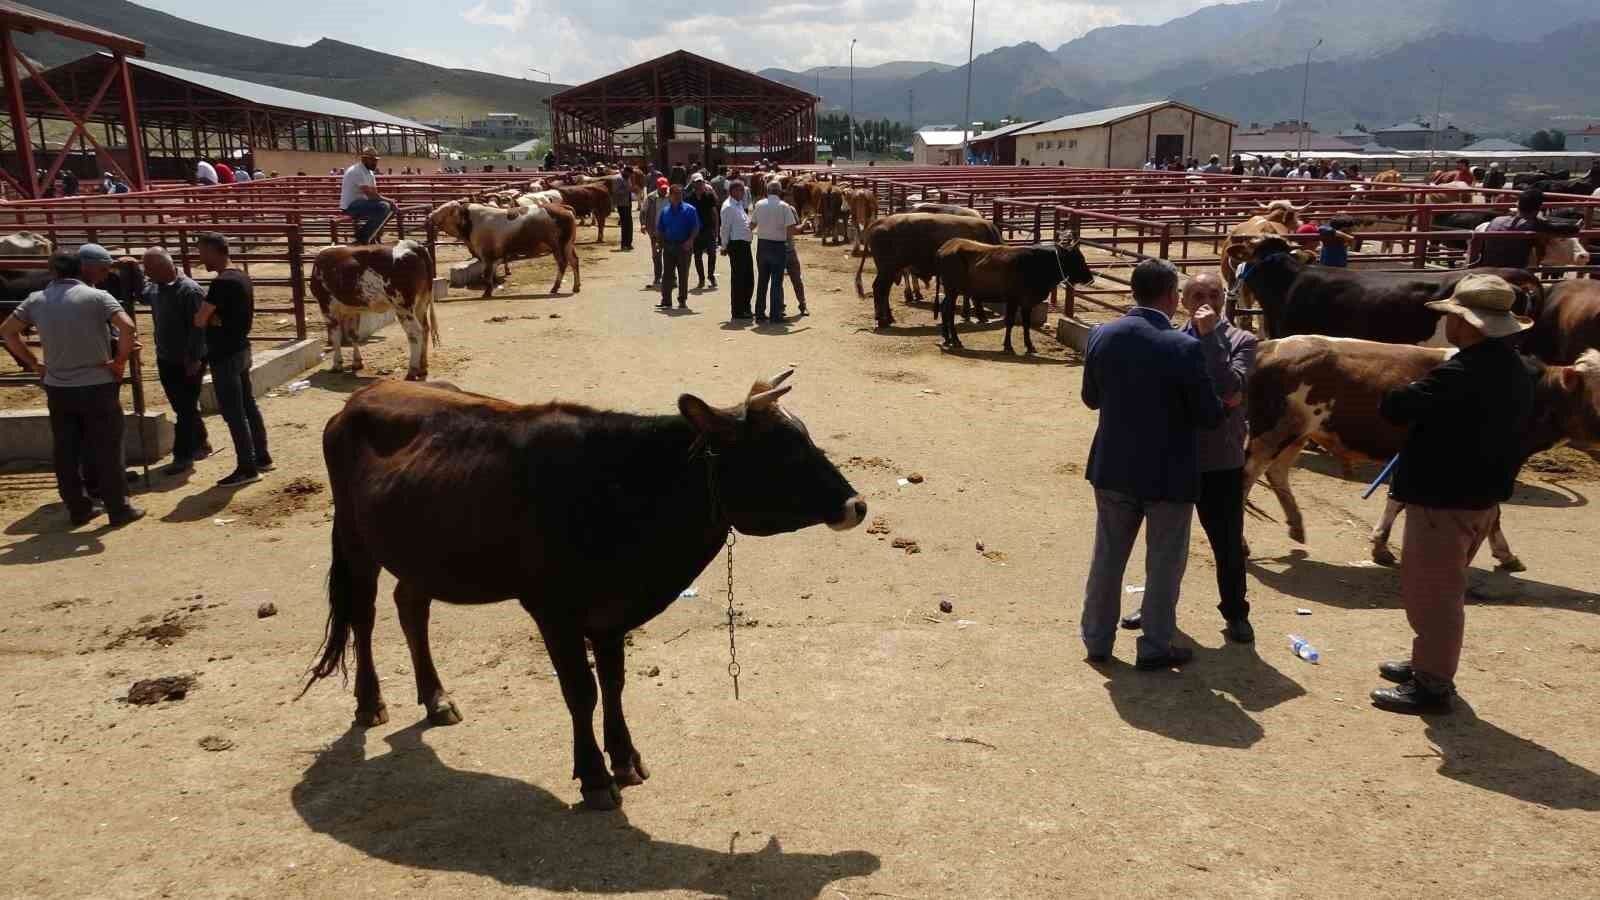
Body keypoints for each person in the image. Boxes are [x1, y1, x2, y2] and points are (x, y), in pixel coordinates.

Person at [1370, 274, 1536, 713]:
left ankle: (1432, 683)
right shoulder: (1516, 369)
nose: (1448, 325)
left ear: (1468, 324)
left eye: (1453, 317)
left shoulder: (1461, 372)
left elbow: (1396, 407)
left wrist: (1402, 388)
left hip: (1443, 499)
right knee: (1440, 586)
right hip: (1478, 498)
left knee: (1434, 593)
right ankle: (1429, 663)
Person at [1080, 258, 1225, 668]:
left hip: (1114, 465)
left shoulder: (1101, 333)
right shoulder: (1185, 346)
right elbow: (1209, 416)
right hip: (1169, 472)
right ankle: (1155, 645)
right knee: (1163, 564)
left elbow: (1091, 398)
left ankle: (1097, 640)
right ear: (1171, 297)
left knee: (1107, 557)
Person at [1118, 272, 1257, 643]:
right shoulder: (1169, 341)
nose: (1205, 300)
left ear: (1225, 299)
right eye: (1197, 293)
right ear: (1182, 299)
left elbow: (1232, 387)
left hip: (1221, 461)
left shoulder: (1243, 340)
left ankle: (1236, 612)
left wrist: (1210, 338)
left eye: (1214, 293)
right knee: (1163, 543)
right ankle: (1155, 607)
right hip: (1175, 456)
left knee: (1227, 542)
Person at [0, 248, 145, 527]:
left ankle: (78, 508)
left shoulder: (36, 300)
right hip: (97, 385)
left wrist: (34, 364)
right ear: (80, 270)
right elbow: (127, 329)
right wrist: (119, 362)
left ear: (53, 272)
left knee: (66, 450)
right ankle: (118, 508)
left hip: (58, 387)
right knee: (107, 447)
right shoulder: (98, 297)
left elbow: (7, 331)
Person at [194, 233, 271, 486]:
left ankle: (247, 467)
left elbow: (200, 319)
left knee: (233, 411)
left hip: (224, 353)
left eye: (202, 252)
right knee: (248, 405)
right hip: (241, 348)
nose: (200, 257)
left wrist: (211, 319)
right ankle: (262, 457)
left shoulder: (221, 284)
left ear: (215, 251)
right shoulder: (241, 276)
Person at [140, 248, 211, 475]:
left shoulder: (189, 291)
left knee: (184, 407)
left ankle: (183, 456)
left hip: (187, 358)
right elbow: (140, 294)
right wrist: (129, 270)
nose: (146, 273)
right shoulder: (156, 287)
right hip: (166, 356)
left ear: (163, 268)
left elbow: (200, 328)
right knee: (183, 405)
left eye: (148, 269)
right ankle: (200, 442)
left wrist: (195, 358)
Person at [1469, 189, 1580, 268]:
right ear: (1539, 208)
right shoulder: (1536, 225)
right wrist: (1576, 227)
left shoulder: (1496, 220)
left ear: (1517, 205)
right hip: (1516, 273)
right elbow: (1568, 230)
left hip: (1487, 269)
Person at [752, 176, 798, 322]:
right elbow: (791, 229)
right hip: (778, 246)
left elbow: (752, 225)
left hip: (763, 245)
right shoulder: (784, 207)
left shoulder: (759, 204)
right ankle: (775, 314)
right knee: (776, 282)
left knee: (762, 281)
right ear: (779, 192)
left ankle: (759, 313)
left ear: (767, 191)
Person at [655, 183, 699, 310]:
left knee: (683, 274)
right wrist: (659, 242)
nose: (678, 196)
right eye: (675, 194)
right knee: (667, 274)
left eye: (680, 194)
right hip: (668, 246)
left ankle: (682, 300)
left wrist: (690, 241)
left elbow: (695, 228)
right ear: (670, 196)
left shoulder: (690, 210)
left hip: (684, 247)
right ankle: (666, 300)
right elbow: (661, 229)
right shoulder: (665, 211)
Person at [340, 147, 394, 245]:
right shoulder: (357, 171)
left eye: (376, 160)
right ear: (364, 160)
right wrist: (390, 201)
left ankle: (372, 233)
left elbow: (374, 193)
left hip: (362, 203)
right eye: (372, 160)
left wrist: (389, 202)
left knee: (389, 208)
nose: (375, 163)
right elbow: (371, 195)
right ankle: (363, 237)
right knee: (384, 207)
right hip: (351, 205)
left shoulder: (369, 173)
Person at [719, 179, 754, 320]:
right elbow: (725, 228)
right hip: (736, 245)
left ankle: (745, 307)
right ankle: (738, 310)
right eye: (741, 190)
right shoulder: (728, 207)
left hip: (744, 244)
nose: (743, 193)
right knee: (739, 279)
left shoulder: (738, 205)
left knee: (748, 279)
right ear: (733, 191)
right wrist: (724, 245)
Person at [688, 173, 720, 289]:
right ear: (693, 184)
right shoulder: (689, 198)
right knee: (697, 256)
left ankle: (711, 275)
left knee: (712, 254)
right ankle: (701, 279)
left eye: (701, 182)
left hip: (709, 229)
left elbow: (714, 213)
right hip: (696, 231)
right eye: (697, 182)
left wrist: (716, 230)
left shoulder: (709, 196)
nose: (700, 185)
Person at [641, 177, 668, 288]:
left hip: (668, 232)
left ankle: (671, 277)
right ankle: (657, 277)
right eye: (662, 189)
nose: (664, 191)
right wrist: (643, 224)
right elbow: (643, 211)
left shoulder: (671, 196)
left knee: (670, 255)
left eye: (666, 188)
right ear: (657, 187)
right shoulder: (651, 198)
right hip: (655, 232)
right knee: (656, 255)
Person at [611, 165, 634, 251]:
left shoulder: (627, 178)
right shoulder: (617, 178)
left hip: (628, 203)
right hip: (622, 204)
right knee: (624, 225)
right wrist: (627, 190)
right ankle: (624, 244)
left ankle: (629, 243)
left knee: (629, 224)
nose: (630, 176)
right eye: (629, 174)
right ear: (625, 171)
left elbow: (629, 187)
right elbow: (615, 191)